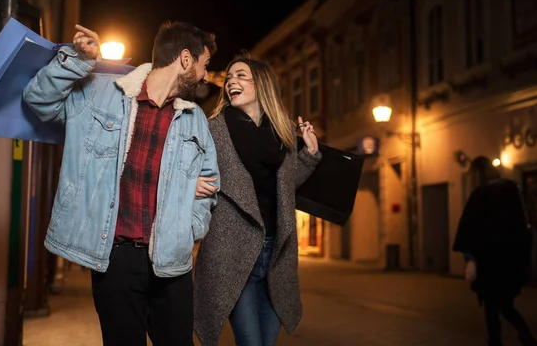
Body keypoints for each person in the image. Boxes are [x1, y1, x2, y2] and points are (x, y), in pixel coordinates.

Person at [23, 21, 220, 346]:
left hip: (173, 261)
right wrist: (77, 59)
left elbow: (209, 182)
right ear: (186, 59)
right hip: (115, 260)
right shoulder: (100, 91)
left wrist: (190, 227)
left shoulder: (194, 117)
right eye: (205, 64)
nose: (205, 76)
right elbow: (38, 100)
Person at [192, 54, 321, 346]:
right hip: (233, 253)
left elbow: (285, 189)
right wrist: (190, 182)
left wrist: (309, 155)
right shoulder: (214, 131)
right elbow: (185, 170)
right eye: (229, 78)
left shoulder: (284, 133)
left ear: (261, 84)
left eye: (240, 76)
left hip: (275, 253)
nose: (231, 82)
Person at [453, 156, 537, 346]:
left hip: (489, 262)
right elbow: (522, 224)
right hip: (510, 261)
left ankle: (498, 340)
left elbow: (469, 227)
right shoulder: (512, 189)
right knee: (505, 305)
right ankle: (524, 335)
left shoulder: (480, 194)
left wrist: (470, 257)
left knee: (492, 307)